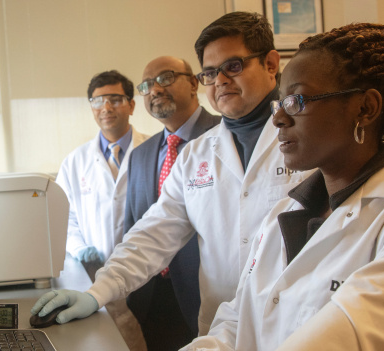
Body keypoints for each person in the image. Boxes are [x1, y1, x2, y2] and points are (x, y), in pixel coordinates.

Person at [183, 23, 384, 350]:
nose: (278, 118)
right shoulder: (283, 214)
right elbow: (237, 321)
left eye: (297, 100)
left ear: (365, 108)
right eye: (279, 103)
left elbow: (349, 339)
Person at [32, 12, 311, 334]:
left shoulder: (310, 138)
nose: (220, 80)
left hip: (298, 326)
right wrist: (97, 292)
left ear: (271, 64)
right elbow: (153, 233)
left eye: (233, 66)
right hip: (220, 329)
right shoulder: (196, 154)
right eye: (210, 72)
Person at [125, 56, 220, 349]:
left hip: (210, 293)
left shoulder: (224, 136)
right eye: (146, 85)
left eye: (165, 78)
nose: (154, 89)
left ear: (194, 83)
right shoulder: (140, 155)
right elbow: (135, 224)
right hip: (153, 295)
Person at [56, 70, 148, 268]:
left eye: (115, 100)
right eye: (98, 101)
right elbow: (63, 218)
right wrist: (79, 248)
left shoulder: (153, 151)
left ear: (131, 106)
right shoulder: (74, 162)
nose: (106, 108)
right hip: (95, 271)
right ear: (91, 107)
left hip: (147, 269)